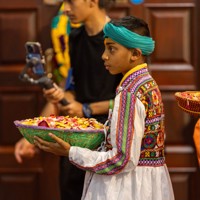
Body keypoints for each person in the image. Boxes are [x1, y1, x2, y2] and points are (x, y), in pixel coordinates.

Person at [33, 15, 175, 200]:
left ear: (135, 54)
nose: (104, 55)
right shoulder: (147, 83)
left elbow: (121, 160)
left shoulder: (130, 92)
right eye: (105, 47)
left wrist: (71, 152)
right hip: (147, 184)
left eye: (112, 49)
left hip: (128, 188)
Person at [14, 0, 121, 199]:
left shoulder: (121, 38)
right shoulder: (74, 38)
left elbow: (138, 99)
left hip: (109, 145)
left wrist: (87, 108)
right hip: (73, 143)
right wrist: (33, 134)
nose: (66, 9)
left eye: (71, 2)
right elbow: (68, 90)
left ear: (92, 1)